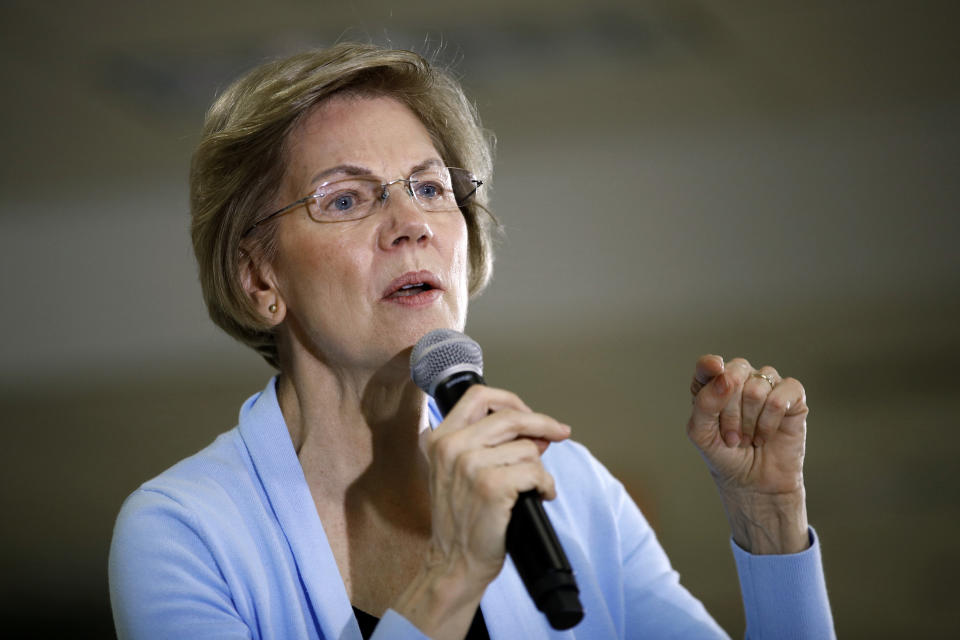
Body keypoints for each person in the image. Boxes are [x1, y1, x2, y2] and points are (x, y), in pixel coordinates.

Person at [108, 43, 834, 639]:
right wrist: (450, 575)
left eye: (428, 187)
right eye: (346, 198)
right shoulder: (185, 531)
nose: (411, 222)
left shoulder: (565, 489)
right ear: (259, 276)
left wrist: (768, 517)